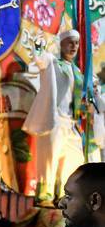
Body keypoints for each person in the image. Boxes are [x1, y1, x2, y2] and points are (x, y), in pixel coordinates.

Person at [26, 30, 97, 205]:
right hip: (54, 119)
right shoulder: (52, 62)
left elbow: (79, 98)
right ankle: (44, 197)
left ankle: (64, 198)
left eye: (76, 43)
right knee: (49, 159)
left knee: (74, 160)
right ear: (62, 43)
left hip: (71, 123)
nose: (74, 46)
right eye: (70, 42)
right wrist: (38, 43)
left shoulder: (79, 73)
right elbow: (40, 57)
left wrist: (85, 108)